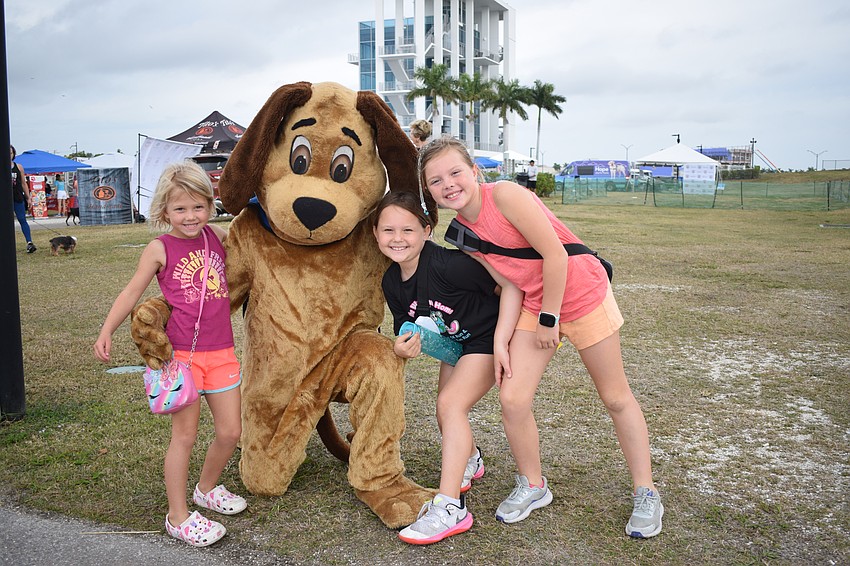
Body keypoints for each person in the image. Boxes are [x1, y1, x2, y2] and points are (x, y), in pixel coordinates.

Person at [418, 137, 663, 538]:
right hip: (535, 303)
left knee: (615, 396)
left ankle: (646, 491)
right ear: (429, 190)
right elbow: (508, 285)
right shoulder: (460, 233)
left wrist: (551, 317)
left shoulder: (508, 196)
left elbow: (556, 254)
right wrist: (501, 341)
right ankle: (533, 484)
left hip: (581, 292)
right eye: (436, 180)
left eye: (456, 172)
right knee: (512, 397)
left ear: (474, 172)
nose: (448, 184)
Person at [93, 160, 245, 548]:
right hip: (182, 359)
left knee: (230, 432)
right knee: (185, 436)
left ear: (211, 206)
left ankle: (205, 489)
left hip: (223, 352)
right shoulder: (160, 248)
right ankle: (177, 516)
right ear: (164, 211)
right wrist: (107, 329)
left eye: (199, 206)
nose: (191, 216)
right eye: (180, 209)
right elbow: (131, 292)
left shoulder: (218, 237)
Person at [373, 191, 515, 545]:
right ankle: (472, 459)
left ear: (427, 231)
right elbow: (407, 326)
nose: (397, 239)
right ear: (375, 234)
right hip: (456, 345)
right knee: (445, 410)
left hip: (487, 338)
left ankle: (451, 507)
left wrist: (507, 340)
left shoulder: (449, 265)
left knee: (451, 405)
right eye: (387, 230)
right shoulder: (391, 281)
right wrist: (402, 347)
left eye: (408, 230)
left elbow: (508, 287)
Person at [10, 145, 36, 253]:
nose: (9, 155)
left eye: (11, 153)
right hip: (5, 199)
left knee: (22, 219)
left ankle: (29, 242)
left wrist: (28, 197)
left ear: (14, 154)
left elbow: (24, 183)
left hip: (17, 196)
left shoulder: (19, 167)